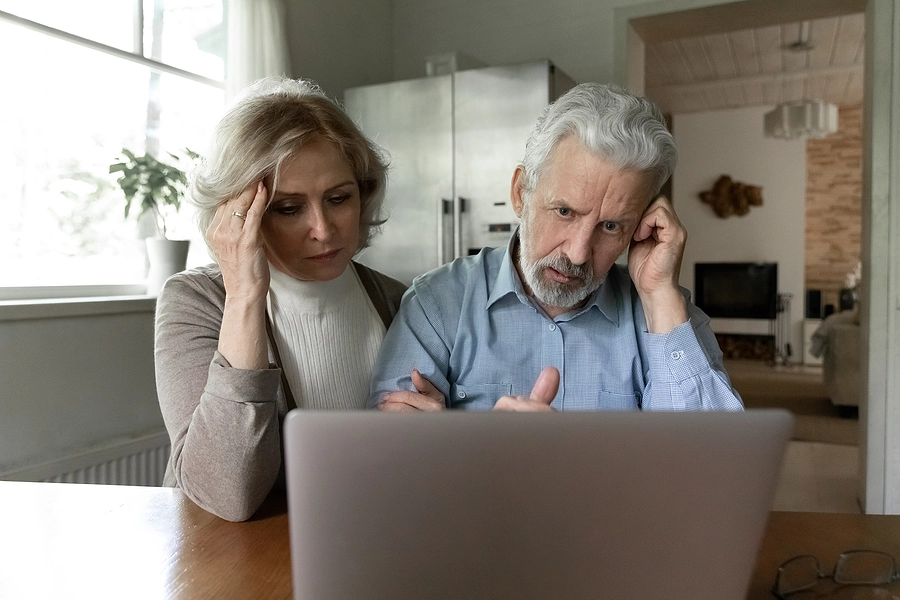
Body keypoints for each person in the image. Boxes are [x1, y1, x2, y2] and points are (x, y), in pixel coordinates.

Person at [367, 82, 743, 412]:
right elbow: (388, 461)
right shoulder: (436, 304)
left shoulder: (667, 316)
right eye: (564, 211)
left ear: (640, 228)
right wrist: (452, 451)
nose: (578, 253)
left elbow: (715, 466)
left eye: (611, 226)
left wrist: (661, 297)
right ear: (520, 193)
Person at [155, 77, 406, 521]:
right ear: (237, 214)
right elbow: (229, 495)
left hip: (356, 547)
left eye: (339, 198)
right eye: (289, 209)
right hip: (230, 566)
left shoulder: (398, 301)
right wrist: (246, 296)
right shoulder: (196, 301)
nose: (324, 229)